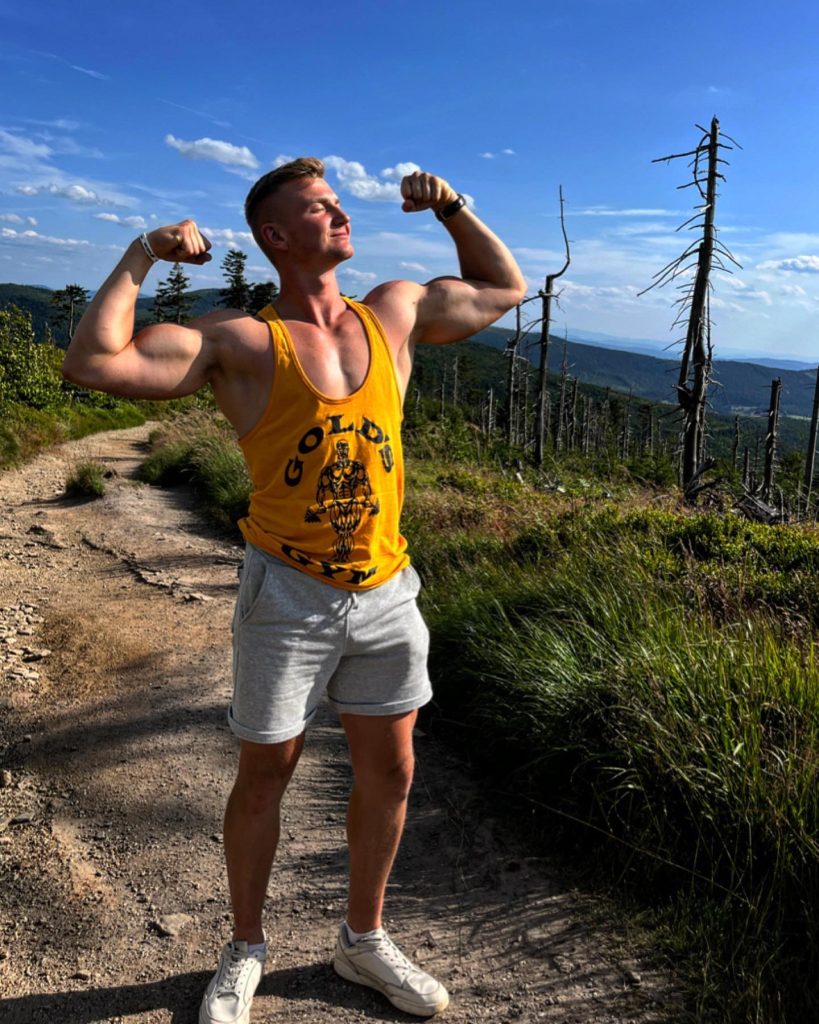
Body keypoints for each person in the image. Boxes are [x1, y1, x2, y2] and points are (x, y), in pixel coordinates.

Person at [63, 157, 526, 1023]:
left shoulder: (392, 310)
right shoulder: (241, 340)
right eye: (319, 207)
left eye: (338, 202)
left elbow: (503, 289)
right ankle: (244, 949)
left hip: (387, 588)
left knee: (391, 770)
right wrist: (142, 252)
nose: (340, 212)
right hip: (288, 593)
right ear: (276, 236)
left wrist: (453, 207)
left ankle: (363, 941)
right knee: (266, 774)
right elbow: (93, 363)